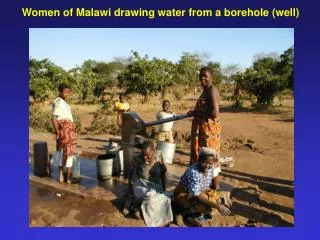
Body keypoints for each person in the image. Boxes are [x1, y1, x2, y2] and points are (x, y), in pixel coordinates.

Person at [174, 147, 230, 226]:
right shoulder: (193, 172)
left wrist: (217, 195)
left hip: (200, 192)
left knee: (217, 201)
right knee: (210, 207)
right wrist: (217, 206)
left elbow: (213, 181)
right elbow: (196, 195)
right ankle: (184, 213)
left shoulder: (211, 168)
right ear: (199, 160)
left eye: (210, 163)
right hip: (185, 195)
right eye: (204, 162)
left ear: (213, 162)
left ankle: (193, 214)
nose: (207, 166)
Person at [127, 140, 173, 227]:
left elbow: (163, 174)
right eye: (143, 154)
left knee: (166, 198)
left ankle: (141, 210)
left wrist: (164, 188)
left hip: (156, 184)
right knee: (150, 197)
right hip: (141, 184)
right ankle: (154, 222)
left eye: (147, 155)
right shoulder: (137, 158)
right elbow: (130, 174)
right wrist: (130, 189)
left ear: (153, 151)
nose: (145, 157)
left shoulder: (159, 156)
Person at [188, 67, 221, 163]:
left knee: (209, 160)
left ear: (211, 77)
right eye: (200, 76)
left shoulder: (212, 90)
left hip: (209, 131)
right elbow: (204, 108)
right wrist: (194, 112)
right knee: (202, 159)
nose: (202, 78)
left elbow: (215, 113)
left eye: (205, 76)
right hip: (203, 130)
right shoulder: (205, 90)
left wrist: (196, 113)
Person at [52, 83, 77, 184]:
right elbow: (54, 117)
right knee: (69, 152)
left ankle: (62, 176)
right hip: (66, 130)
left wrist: (58, 131)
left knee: (60, 151)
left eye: (69, 92)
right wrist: (57, 131)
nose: (67, 94)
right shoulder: (60, 102)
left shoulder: (60, 102)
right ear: (60, 92)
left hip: (65, 129)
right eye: (65, 92)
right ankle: (69, 179)